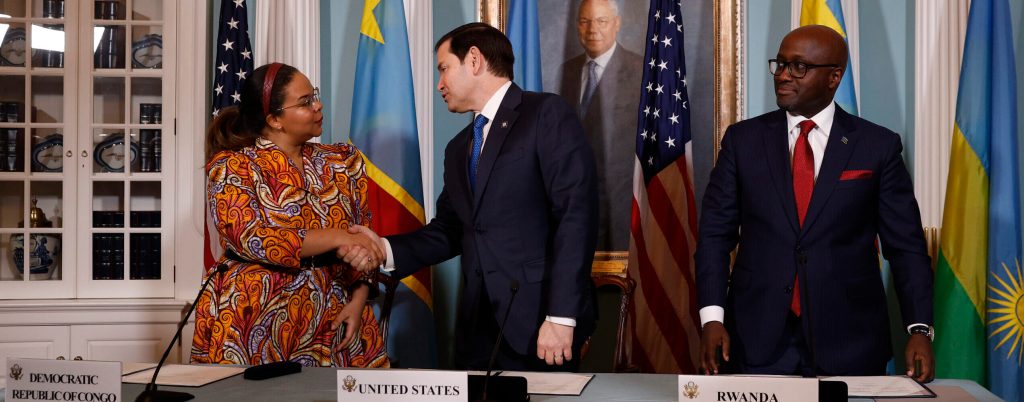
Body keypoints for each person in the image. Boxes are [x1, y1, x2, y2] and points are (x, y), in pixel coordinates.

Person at [349, 23, 599, 371]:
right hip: (478, 331)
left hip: (541, 322)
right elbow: (451, 231)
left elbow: (576, 216)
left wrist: (561, 316)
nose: (439, 84)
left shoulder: (545, 114)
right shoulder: (458, 148)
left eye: (443, 68)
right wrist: (384, 248)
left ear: (475, 60)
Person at [695, 25, 935, 381]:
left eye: (799, 67)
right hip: (755, 339)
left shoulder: (877, 146)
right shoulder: (742, 141)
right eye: (780, 64)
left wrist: (919, 328)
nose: (783, 75)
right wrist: (712, 318)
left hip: (850, 342)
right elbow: (715, 236)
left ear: (834, 77)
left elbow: (906, 247)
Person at [192, 63, 389, 368]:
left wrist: (358, 300)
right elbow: (253, 239)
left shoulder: (342, 161)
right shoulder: (233, 167)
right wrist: (337, 236)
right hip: (253, 317)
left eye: (315, 96)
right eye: (306, 101)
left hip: (335, 314)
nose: (318, 105)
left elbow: (362, 236)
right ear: (274, 119)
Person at [558, 0, 643, 250]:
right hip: (574, 202)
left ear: (616, 24)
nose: (592, 29)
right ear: (577, 26)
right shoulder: (567, 71)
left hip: (623, 204)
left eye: (602, 21)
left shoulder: (640, 71)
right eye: (585, 21)